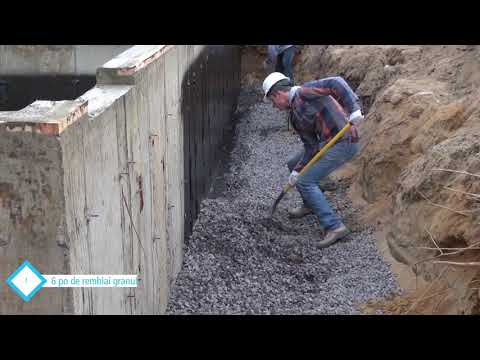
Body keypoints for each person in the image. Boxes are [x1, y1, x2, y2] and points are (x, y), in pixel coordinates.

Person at [262, 72, 365, 248]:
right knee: (293, 164)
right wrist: (297, 170)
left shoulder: (305, 91)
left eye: (273, 102)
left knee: (305, 182)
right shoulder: (295, 116)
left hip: (343, 141)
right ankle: (310, 204)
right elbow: (310, 147)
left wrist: (354, 108)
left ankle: (335, 226)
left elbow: (336, 82)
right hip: (327, 143)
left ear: (278, 94)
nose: (275, 106)